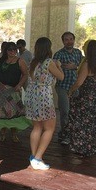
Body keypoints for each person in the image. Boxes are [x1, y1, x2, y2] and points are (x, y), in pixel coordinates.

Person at [24, 37, 64, 170]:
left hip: (31, 96)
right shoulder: (49, 62)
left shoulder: (33, 62)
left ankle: (33, 155)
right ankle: (38, 158)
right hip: (44, 97)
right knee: (49, 128)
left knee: (37, 127)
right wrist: (59, 66)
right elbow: (61, 77)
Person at [67, 40, 96, 157]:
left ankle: (81, 147)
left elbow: (79, 82)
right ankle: (89, 146)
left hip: (86, 97)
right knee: (91, 122)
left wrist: (70, 91)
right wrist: (95, 83)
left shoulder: (87, 64)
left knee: (81, 122)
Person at [0, 41, 30, 142]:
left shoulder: (20, 61)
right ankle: (2, 133)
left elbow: (25, 74)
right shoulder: (2, 60)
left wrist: (20, 84)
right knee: (1, 113)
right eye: (10, 49)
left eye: (14, 49)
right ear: (6, 51)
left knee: (14, 113)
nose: (12, 51)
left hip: (13, 90)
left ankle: (14, 133)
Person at [53, 32, 83, 145]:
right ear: (63, 41)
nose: (69, 41)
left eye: (71, 39)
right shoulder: (58, 54)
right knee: (65, 111)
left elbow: (83, 66)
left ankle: (72, 133)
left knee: (75, 111)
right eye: (66, 39)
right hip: (63, 86)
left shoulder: (78, 53)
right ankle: (65, 134)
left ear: (74, 40)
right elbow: (53, 69)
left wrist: (74, 66)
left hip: (75, 86)